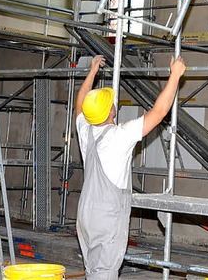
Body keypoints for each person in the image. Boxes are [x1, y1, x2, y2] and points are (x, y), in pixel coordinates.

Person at [75, 54, 186, 280]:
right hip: (107, 218)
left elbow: (80, 102)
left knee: (93, 271)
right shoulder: (119, 136)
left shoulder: (85, 130)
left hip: (86, 215)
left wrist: (93, 71)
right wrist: (175, 76)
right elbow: (159, 112)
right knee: (103, 274)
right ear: (110, 111)